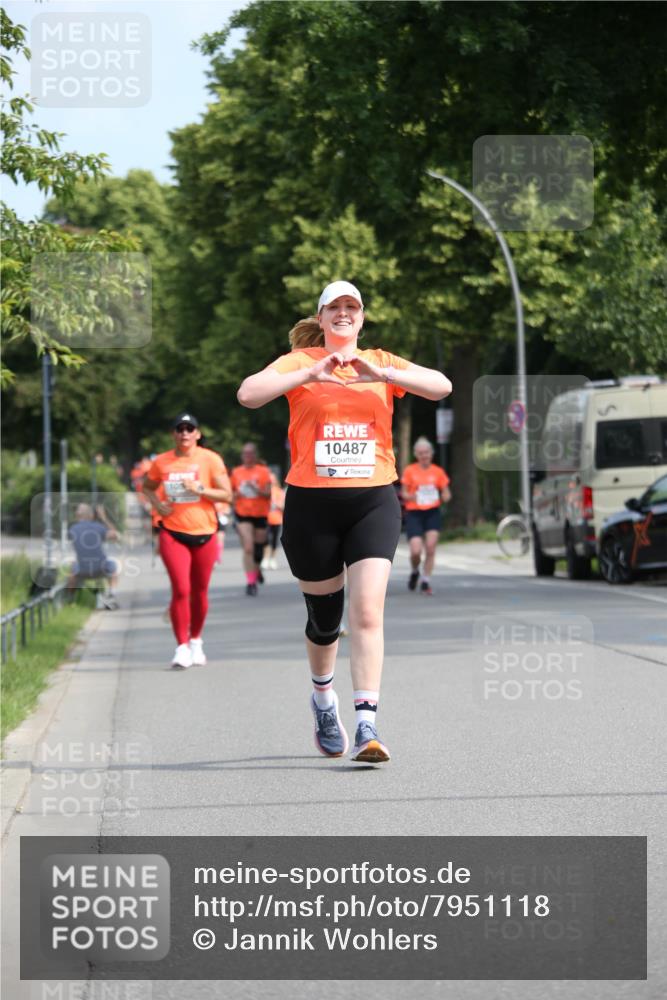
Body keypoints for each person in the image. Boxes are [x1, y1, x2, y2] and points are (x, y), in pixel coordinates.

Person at [238, 280, 452, 763]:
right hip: (312, 504)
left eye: (351, 306)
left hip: (373, 499)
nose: (343, 313)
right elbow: (248, 394)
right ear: (321, 316)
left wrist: (378, 371)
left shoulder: (381, 362)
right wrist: (311, 372)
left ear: (361, 316)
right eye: (334, 306)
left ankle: (367, 725)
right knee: (325, 622)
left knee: (368, 612)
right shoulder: (298, 364)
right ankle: (323, 700)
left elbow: (442, 385)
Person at [142, 412, 232, 669]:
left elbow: (227, 495)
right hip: (172, 531)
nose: (184, 433)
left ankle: (196, 641)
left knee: (200, 592)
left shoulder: (210, 459)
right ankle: (181, 647)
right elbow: (147, 487)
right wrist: (158, 504)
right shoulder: (162, 461)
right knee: (181, 589)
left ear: (197, 434)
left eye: (189, 429)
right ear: (174, 434)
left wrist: (200, 490)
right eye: (180, 429)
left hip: (205, 532)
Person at [401, 437, 452, 595]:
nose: (424, 455)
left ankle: (425, 580)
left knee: (430, 547)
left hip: (432, 512)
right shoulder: (410, 471)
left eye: (427, 452)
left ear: (431, 453)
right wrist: (411, 497)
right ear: (416, 454)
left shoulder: (438, 472)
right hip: (415, 513)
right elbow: (403, 493)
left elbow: (446, 492)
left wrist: (445, 497)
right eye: (421, 453)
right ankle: (415, 570)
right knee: (416, 550)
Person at [230, 443, 272, 595]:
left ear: (255, 455)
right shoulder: (236, 472)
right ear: (242, 456)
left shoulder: (263, 471)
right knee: (248, 547)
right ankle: (251, 583)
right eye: (245, 453)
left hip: (260, 514)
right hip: (243, 514)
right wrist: (237, 494)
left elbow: (268, 494)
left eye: (250, 453)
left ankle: (257, 569)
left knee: (258, 552)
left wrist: (256, 490)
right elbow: (230, 495)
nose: (247, 456)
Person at [67, 503, 120, 606]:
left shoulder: (72, 529)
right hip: (101, 568)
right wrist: (104, 518)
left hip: (82, 570)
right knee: (114, 567)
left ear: (78, 515)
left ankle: (70, 599)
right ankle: (112, 595)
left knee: (72, 567)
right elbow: (115, 535)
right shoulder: (98, 527)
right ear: (91, 515)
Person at [262, 470, 285, 570]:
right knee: (266, 539)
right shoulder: (263, 491)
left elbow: (284, 507)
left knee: (275, 540)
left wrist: (277, 505)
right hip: (265, 518)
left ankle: (273, 558)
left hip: (277, 519)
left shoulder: (279, 491)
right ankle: (266, 558)